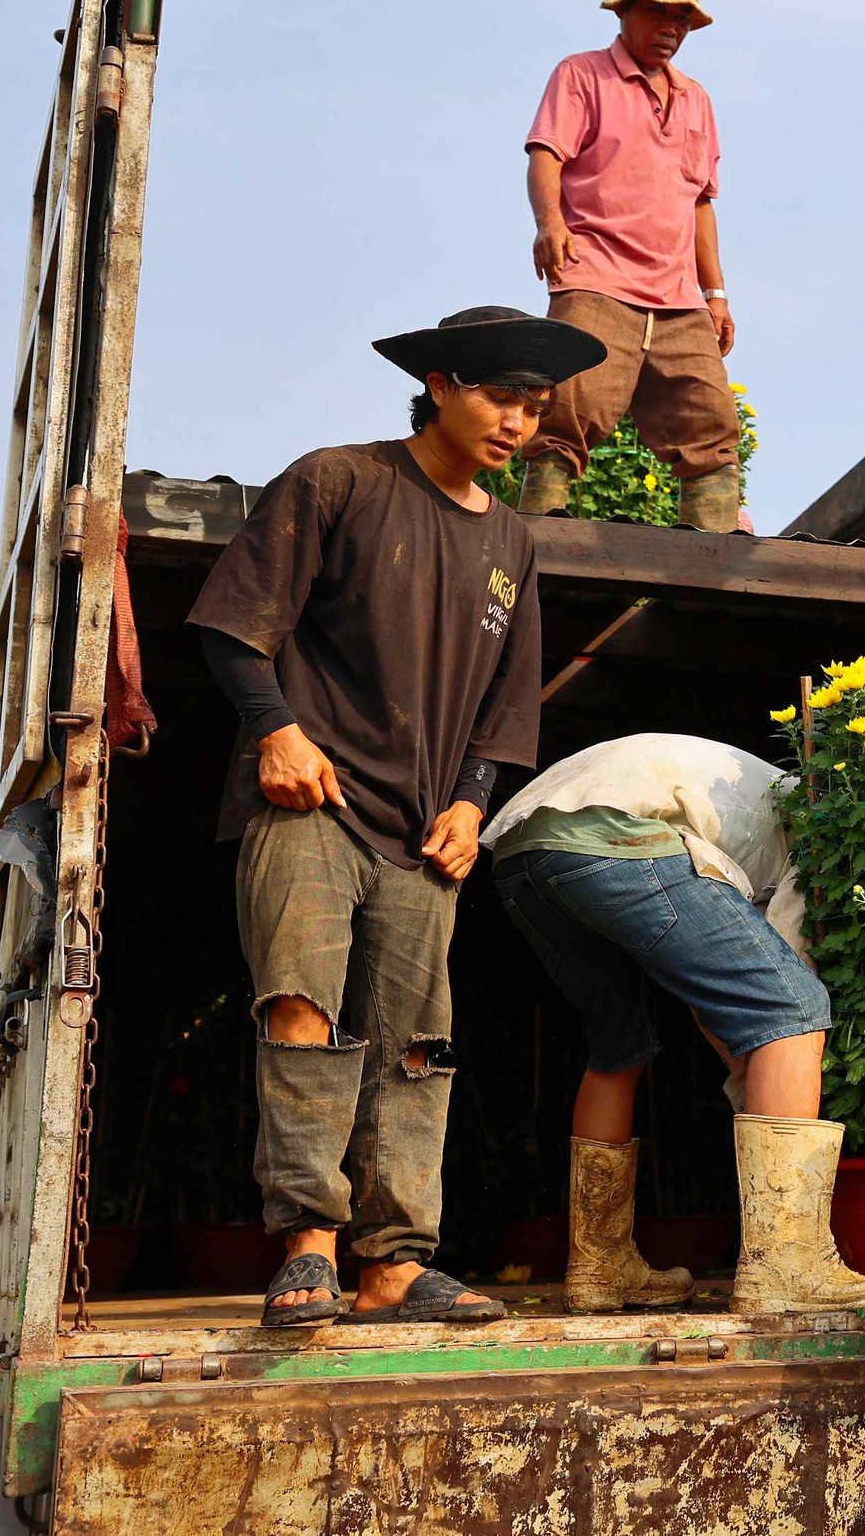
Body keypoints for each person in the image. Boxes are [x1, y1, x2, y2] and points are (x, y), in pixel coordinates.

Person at [190, 305, 605, 1328]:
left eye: (534, 406)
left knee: (418, 1048)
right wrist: (278, 733)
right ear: (442, 386)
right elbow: (235, 627)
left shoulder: (511, 540)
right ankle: (308, 1252)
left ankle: (394, 1266)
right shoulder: (339, 480)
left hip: (425, 835)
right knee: (302, 1012)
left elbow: (507, 705)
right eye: (501, 397)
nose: (518, 422)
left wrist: (472, 801)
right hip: (312, 802)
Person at [483, 734, 865, 1316]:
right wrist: (758, 1084)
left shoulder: (759, 788)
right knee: (794, 1008)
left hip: (522, 848)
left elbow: (714, 991)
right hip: (613, 835)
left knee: (618, 1047)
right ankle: (786, 1267)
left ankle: (599, 1265)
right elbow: (775, 998)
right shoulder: (813, 831)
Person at [520, 0, 743, 533]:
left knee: (711, 423)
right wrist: (550, 224)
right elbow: (546, 155)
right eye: (658, 11)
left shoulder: (696, 99)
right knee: (566, 409)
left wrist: (716, 294)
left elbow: (700, 201)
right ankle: (540, 542)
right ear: (624, 9)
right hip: (596, 274)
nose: (671, 27)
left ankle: (715, 559)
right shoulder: (581, 74)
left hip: (678, 298)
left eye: (682, 17)